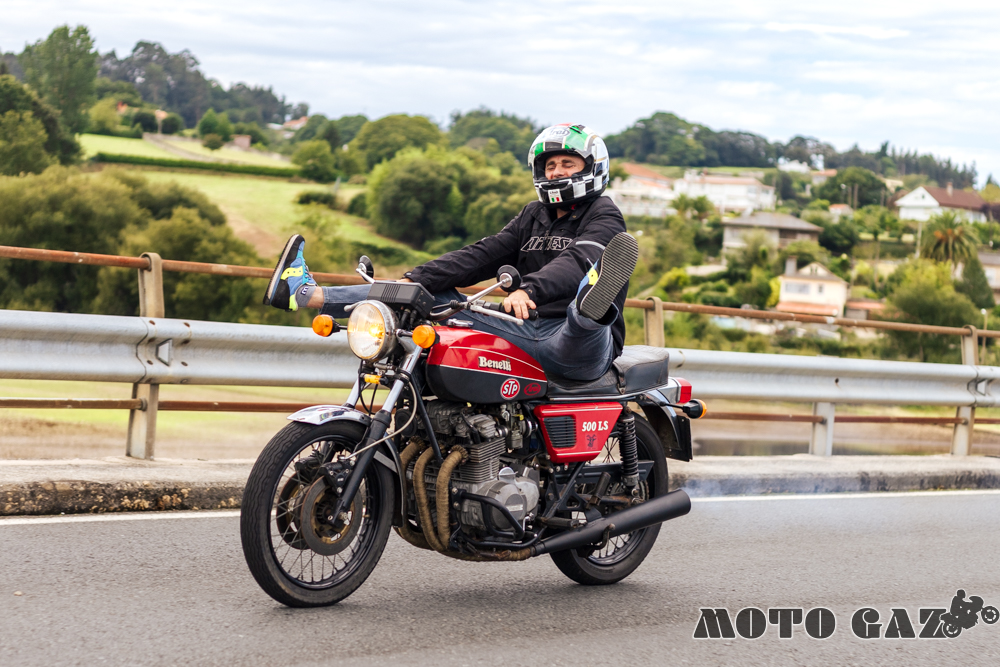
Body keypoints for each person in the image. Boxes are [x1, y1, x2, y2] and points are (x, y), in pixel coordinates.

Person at [263, 123, 638, 382]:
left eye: (567, 164)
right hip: (521, 330)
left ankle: (592, 304)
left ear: (593, 168)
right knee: (420, 295)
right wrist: (417, 278)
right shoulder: (533, 215)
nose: (555, 172)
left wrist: (529, 290)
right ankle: (306, 294)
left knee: (583, 305)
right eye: (550, 165)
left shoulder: (604, 214)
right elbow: (483, 254)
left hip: (574, 345)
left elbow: (579, 258)